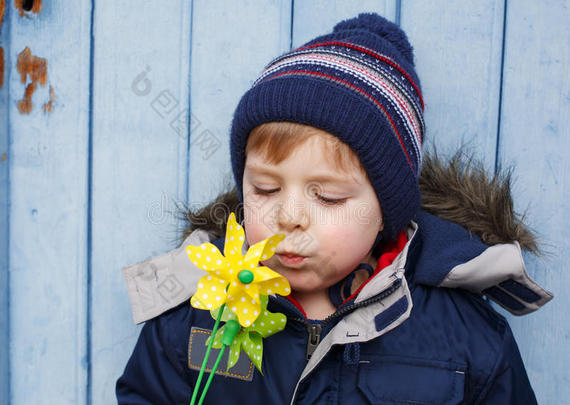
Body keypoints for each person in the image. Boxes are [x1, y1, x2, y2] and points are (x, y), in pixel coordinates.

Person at [116, 13, 553, 404]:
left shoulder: (463, 335)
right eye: (266, 189)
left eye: (327, 197)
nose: (290, 216)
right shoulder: (199, 309)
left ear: (387, 209)